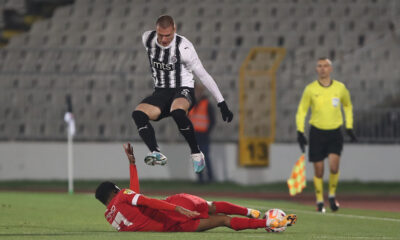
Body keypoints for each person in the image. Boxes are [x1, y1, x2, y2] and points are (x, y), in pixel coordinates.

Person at [95, 143, 297, 232]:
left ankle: (270, 223)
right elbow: (145, 199)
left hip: (177, 228)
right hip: (175, 206)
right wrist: (177, 208)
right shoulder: (122, 195)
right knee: (212, 206)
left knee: (223, 221)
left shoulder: (111, 219)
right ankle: (249, 212)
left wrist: (132, 164)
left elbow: (136, 198)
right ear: (115, 190)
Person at [131, 15, 233, 174]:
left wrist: (222, 103)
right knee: (138, 114)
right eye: (161, 35)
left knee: (177, 112)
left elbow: (204, 75)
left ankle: (196, 153)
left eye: (168, 35)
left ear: (175, 30)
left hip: (183, 89)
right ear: (156, 31)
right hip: (161, 91)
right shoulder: (147, 38)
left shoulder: (184, 48)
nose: (164, 40)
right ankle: (156, 152)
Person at [295, 57, 357, 213]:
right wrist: (300, 131)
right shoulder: (310, 89)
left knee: (334, 167)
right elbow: (302, 110)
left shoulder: (340, 88)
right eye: (319, 66)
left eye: (325, 66)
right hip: (317, 131)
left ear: (331, 69)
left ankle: (331, 195)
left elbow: (348, 105)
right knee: (318, 170)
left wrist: (349, 126)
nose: (322, 68)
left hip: (335, 132)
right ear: (316, 69)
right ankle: (319, 201)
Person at [188, 83, 215, 183]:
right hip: (194, 136)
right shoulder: (191, 104)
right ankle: (200, 179)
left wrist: (207, 131)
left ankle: (210, 178)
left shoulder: (207, 104)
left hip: (203, 135)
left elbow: (212, 120)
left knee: (206, 157)